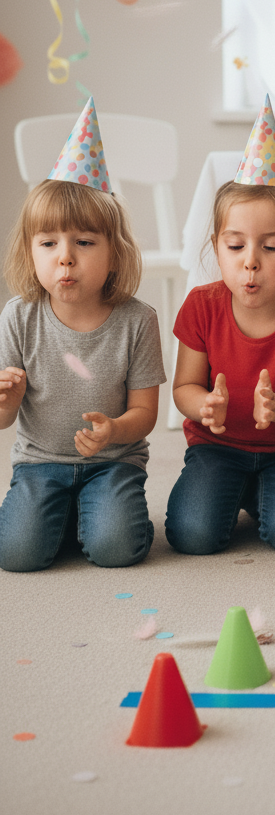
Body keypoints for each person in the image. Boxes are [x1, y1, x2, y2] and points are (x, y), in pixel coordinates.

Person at [166, 98, 275, 554]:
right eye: (235, 245)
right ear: (217, 248)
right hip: (216, 447)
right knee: (192, 536)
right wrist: (204, 405)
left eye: (271, 246)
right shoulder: (201, 306)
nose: (250, 262)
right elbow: (184, 386)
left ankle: (261, 493)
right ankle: (244, 491)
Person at [0, 100, 164, 571]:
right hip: (38, 464)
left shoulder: (137, 321)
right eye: (48, 243)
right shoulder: (19, 317)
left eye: (84, 243)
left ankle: (95, 514)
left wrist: (114, 430)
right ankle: (68, 514)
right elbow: (4, 419)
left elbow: (146, 414)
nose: (65, 258)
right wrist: (7, 398)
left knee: (117, 550)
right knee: (16, 555)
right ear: (30, 251)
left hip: (113, 464)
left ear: (114, 252)